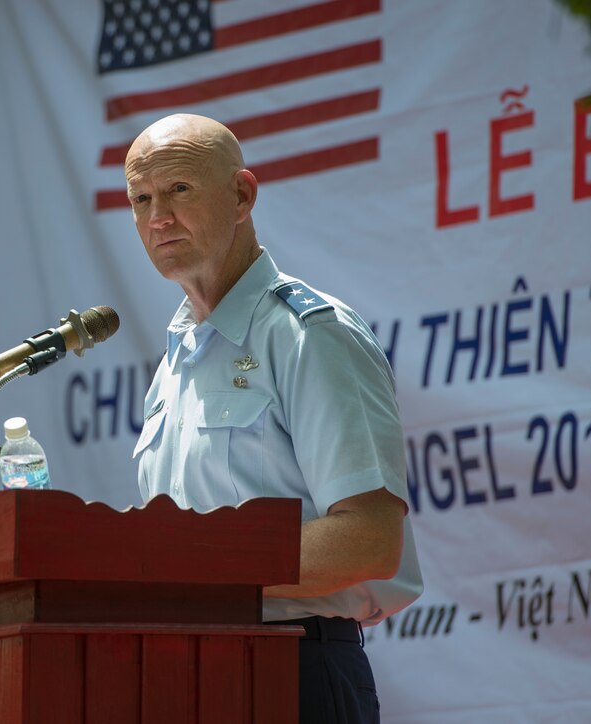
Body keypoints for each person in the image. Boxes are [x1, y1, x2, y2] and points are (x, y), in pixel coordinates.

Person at [126, 113, 422, 724]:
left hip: (294, 674)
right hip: (182, 677)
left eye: (179, 189)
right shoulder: (177, 360)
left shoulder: (309, 334)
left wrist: (197, 565)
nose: (158, 216)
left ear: (242, 195)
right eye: (141, 198)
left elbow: (370, 538)